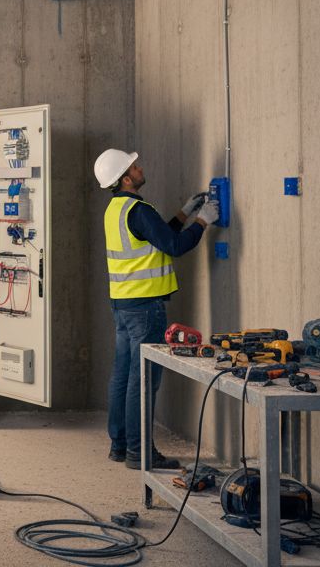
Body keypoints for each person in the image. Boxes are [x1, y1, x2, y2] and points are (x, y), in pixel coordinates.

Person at [93, 148, 221, 471]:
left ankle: (120, 445)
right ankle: (140, 452)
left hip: (123, 305)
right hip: (146, 308)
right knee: (143, 379)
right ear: (125, 178)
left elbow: (156, 236)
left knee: (122, 375)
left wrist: (185, 213)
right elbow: (174, 246)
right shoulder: (138, 209)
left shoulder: (115, 210)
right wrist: (203, 221)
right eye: (134, 167)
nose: (140, 168)